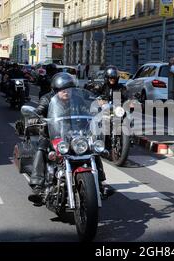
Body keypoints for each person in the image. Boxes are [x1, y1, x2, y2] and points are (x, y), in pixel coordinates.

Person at [27, 72, 113, 203]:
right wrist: (35, 115)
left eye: (68, 89)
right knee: (41, 148)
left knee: (93, 150)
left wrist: (99, 112)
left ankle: (100, 184)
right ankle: (38, 185)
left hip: (75, 133)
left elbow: (87, 109)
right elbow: (40, 108)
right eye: (62, 90)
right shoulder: (47, 98)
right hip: (53, 134)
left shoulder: (77, 98)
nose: (66, 92)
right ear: (55, 90)